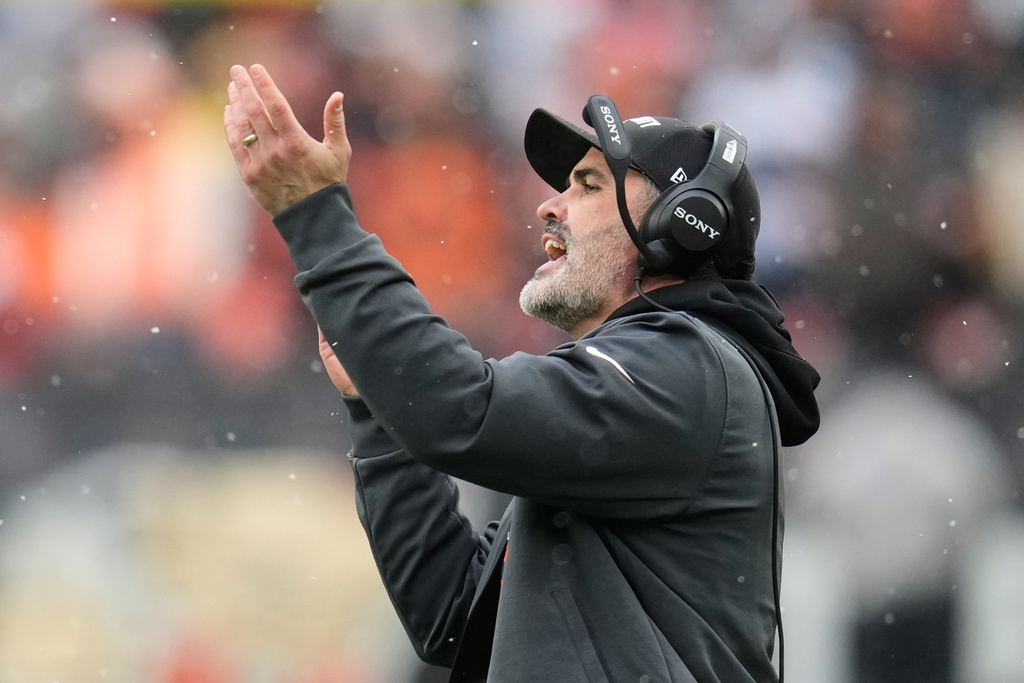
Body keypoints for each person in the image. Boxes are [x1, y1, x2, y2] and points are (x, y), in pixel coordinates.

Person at [224, 63, 820, 683]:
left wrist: (316, 215)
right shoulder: (645, 388)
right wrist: (375, 410)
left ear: (682, 226)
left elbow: (462, 410)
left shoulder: (687, 369)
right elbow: (450, 618)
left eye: (588, 185)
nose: (547, 206)